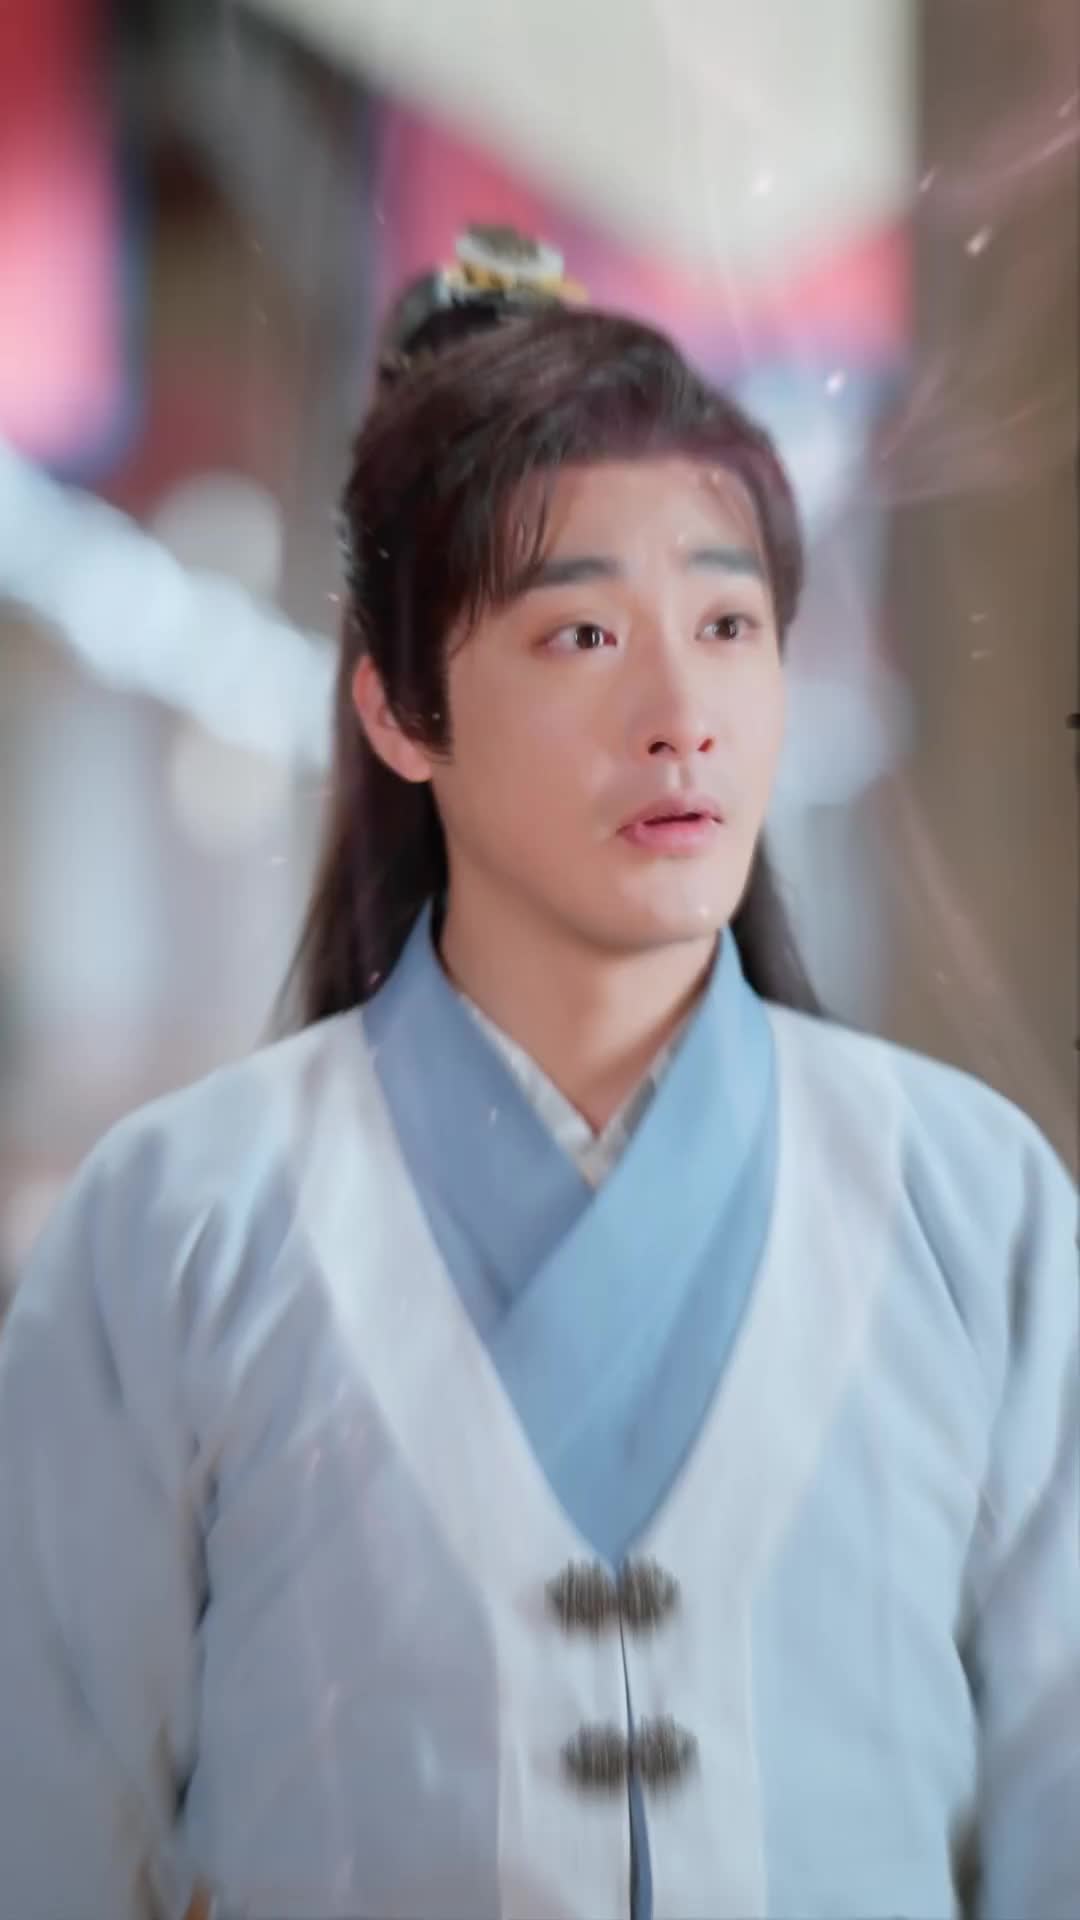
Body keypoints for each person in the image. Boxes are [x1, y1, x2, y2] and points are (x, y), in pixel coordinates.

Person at [0, 225, 1076, 1920]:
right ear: (399, 709)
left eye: (728, 622)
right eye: (582, 635)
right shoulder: (176, 1226)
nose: (683, 713)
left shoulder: (976, 1202)